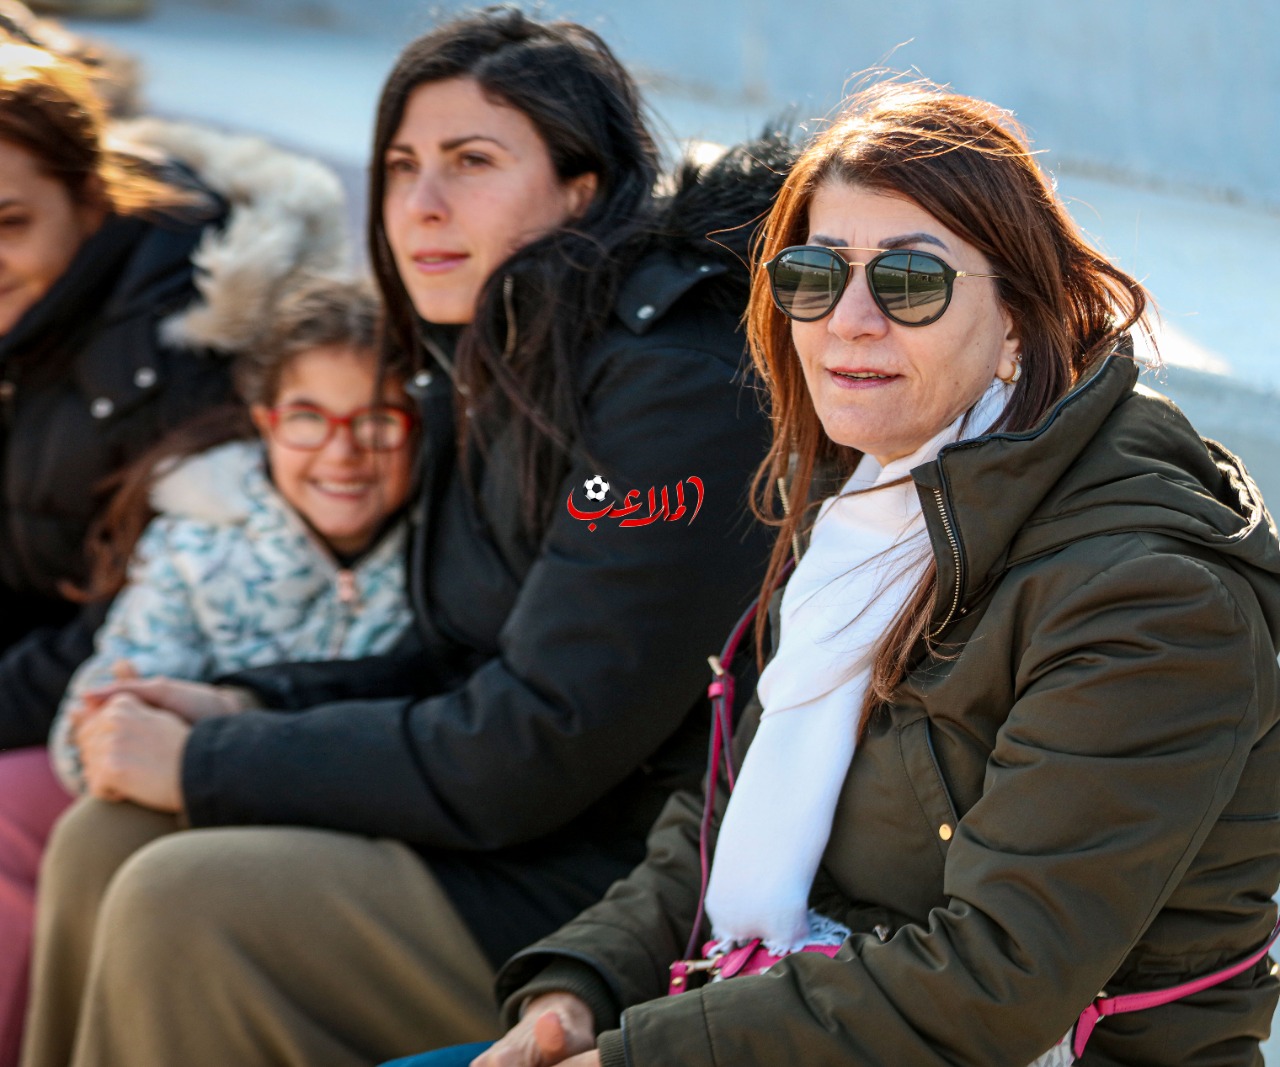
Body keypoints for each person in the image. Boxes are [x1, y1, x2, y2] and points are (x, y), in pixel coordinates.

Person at [397, 82, 1280, 1067]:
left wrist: (632, 1054)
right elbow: (718, 811)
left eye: (909, 280)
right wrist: (578, 990)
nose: (848, 319)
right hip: (765, 1005)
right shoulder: (864, 504)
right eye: (813, 275)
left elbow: (994, 981)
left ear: (1017, 325)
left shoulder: (1148, 599)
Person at [22, 8, 784, 1067]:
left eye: (471, 162)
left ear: (582, 188)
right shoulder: (486, 359)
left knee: (182, 897)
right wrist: (248, 703)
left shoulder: (674, 386)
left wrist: (208, 761)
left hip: (630, 885)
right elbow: (455, 656)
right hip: (523, 830)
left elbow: (538, 738)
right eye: (399, 167)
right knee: (106, 832)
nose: (421, 205)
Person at [0, 40, 345, 1067]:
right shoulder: (36, 319)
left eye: (10, 223)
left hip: (175, 687)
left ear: (90, 197)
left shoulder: (181, 351)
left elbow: (138, 626)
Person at [49, 276, 417, 798]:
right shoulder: (196, 547)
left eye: (377, 421)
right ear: (266, 423)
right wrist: (122, 716)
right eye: (307, 418)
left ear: (420, 427)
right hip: (202, 789)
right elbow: (82, 740)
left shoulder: (445, 554)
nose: (341, 454)